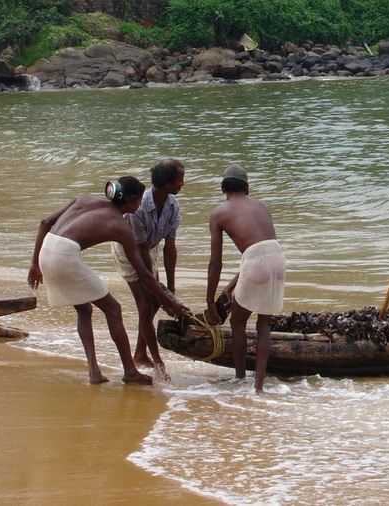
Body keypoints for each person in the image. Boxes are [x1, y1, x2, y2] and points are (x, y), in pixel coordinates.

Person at [28, 176, 189, 385]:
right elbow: (143, 273)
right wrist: (171, 303)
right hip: (64, 256)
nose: (140, 205)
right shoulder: (121, 227)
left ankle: (94, 371)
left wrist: (34, 264)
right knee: (113, 310)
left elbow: (45, 223)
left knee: (84, 309)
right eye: (139, 201)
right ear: (130, 202)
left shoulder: (84, 200)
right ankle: (130, 372)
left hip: (46, 251)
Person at [206, 165, 286, 393]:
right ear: (247, 188)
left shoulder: (219, 213)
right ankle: (259, 386)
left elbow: (216, 262)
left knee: (237, 322)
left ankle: (240, 378)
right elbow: (264, 249)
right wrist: (230, 287)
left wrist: (210, 301)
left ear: (223, 188)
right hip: (279, 259)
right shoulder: (261, 206)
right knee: (264, 324)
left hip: (255, 262)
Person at [111, 159, 185, 380]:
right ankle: (154, 359)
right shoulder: (139, 208)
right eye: (180, 179)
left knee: (156, 301)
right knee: (146, 303)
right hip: (128, 252)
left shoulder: (173, 205)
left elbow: (169, 247)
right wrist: (158, 289)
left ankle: (140, 353)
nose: (183, 183)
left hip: (149, 249)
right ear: (167, 182)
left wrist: (169, 288)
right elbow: (139, 250)